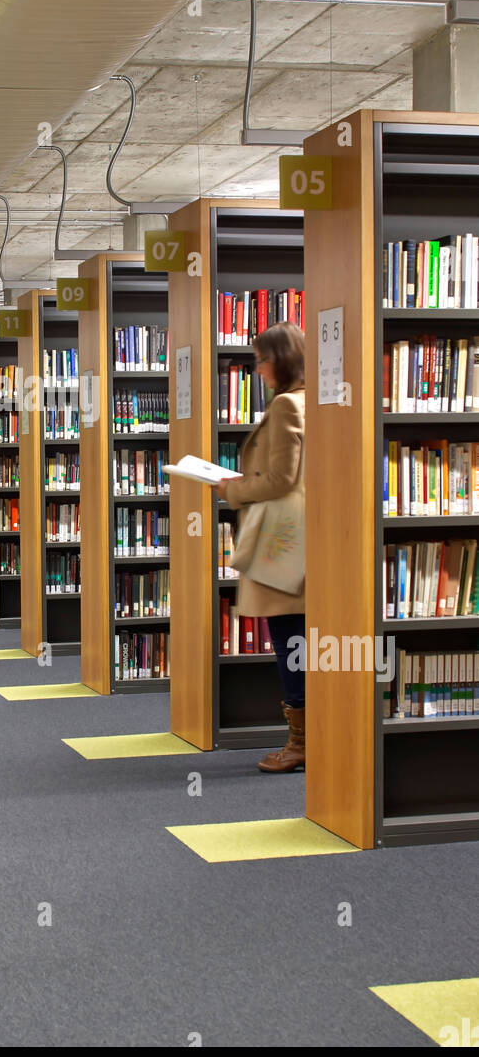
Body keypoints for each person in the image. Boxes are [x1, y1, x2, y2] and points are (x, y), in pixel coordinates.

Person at [216, 322, 306, 773]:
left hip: (285, 541)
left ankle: (301, 742)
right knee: (304, 638)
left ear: (282, 360)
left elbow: (282, 479)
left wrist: (231, 488)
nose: (258, 368)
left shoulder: (289, 404)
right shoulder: (317, 400)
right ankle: (315, 736)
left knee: (289, 636)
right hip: (308, 537)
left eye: (262, 360)